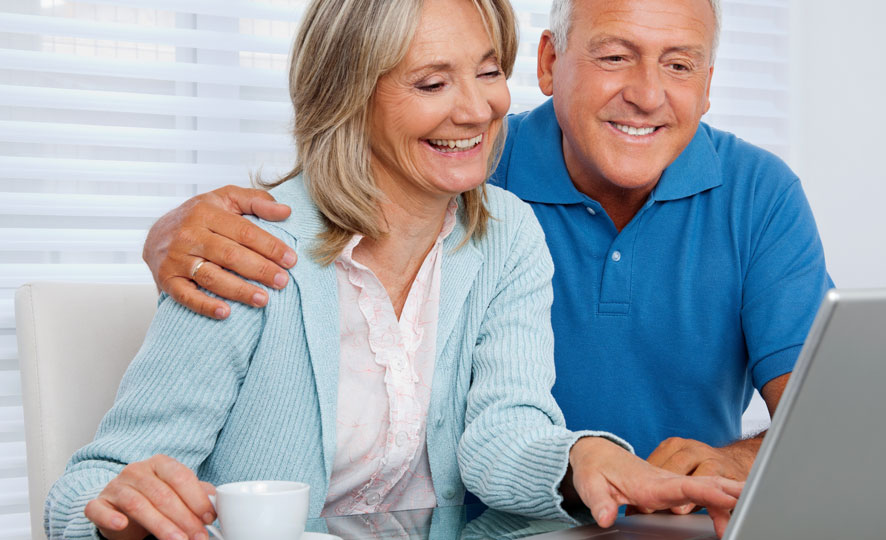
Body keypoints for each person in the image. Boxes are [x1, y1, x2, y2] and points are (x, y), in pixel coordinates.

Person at [45, 1, 746, 539]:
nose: (477, 109)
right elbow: (92, 485)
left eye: (488, 70)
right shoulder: (246, 249)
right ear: (349, 95)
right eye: (432, 81)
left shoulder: (506, 237)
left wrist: (582, 458)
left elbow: (504, 432)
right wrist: (120, 514)